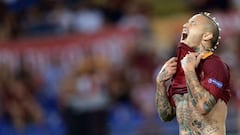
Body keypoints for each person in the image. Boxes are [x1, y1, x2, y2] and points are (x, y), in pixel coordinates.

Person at [155, 12, 231, 135]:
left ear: (207, 35)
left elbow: (204, 107)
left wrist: (190, 71)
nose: (185, 25)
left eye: (193, 23)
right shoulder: (181, 68)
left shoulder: (215, 65)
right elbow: (166, 116)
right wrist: (160, 83)